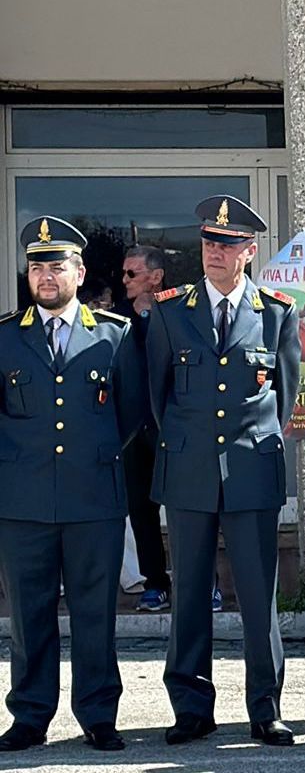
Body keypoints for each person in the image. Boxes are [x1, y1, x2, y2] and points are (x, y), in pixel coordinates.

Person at [146, 195, 301, 746]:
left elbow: (282, 398)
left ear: (249, 252)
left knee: (259, 597)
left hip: (251, 472)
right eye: (210, 242)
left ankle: (265, 707)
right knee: (189, 595)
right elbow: (155, 397)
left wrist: (251, 444)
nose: (215, 252)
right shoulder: (168, 312)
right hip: (187, 473)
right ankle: (191, 707)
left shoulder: (277, 313)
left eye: (228, 244)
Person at [0, 217, 144, 752]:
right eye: (37, 266)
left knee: (94, 613)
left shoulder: (114, 334)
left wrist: (92, 455)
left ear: (79, 273)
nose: (45, 275)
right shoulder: (4, 338)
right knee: (29, 616)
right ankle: (30, 716)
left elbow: (130, 413)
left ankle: (99, 715)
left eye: (56, 265)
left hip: (93, 499)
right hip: (23, 503)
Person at [113, 245, 174, 611]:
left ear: (156, 276)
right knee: (141, 509)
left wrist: (152, 318)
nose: (124, 281)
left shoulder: (179, 310)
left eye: (131, 274)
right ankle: (155, 582)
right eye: (123, 274)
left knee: (189, 508)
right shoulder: (117, 318)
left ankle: (206, 584)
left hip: (174, 425)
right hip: (136, 429)